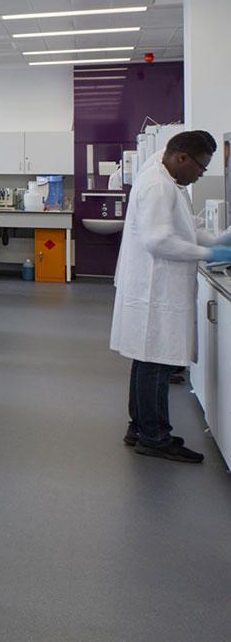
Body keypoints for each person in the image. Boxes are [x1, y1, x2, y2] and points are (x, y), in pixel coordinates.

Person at [110, 130, 231, 463]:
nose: (201, 175)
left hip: (152, 286)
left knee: (147, 360)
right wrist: (208, 255)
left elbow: (185, 229)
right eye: (201, 168)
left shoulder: (167, 180)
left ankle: (140, 429)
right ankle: (154, 436)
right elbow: (159, 241)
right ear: (181, 158)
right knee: (155, 363)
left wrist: (217, 240)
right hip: (154, 287)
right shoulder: (159, 186)